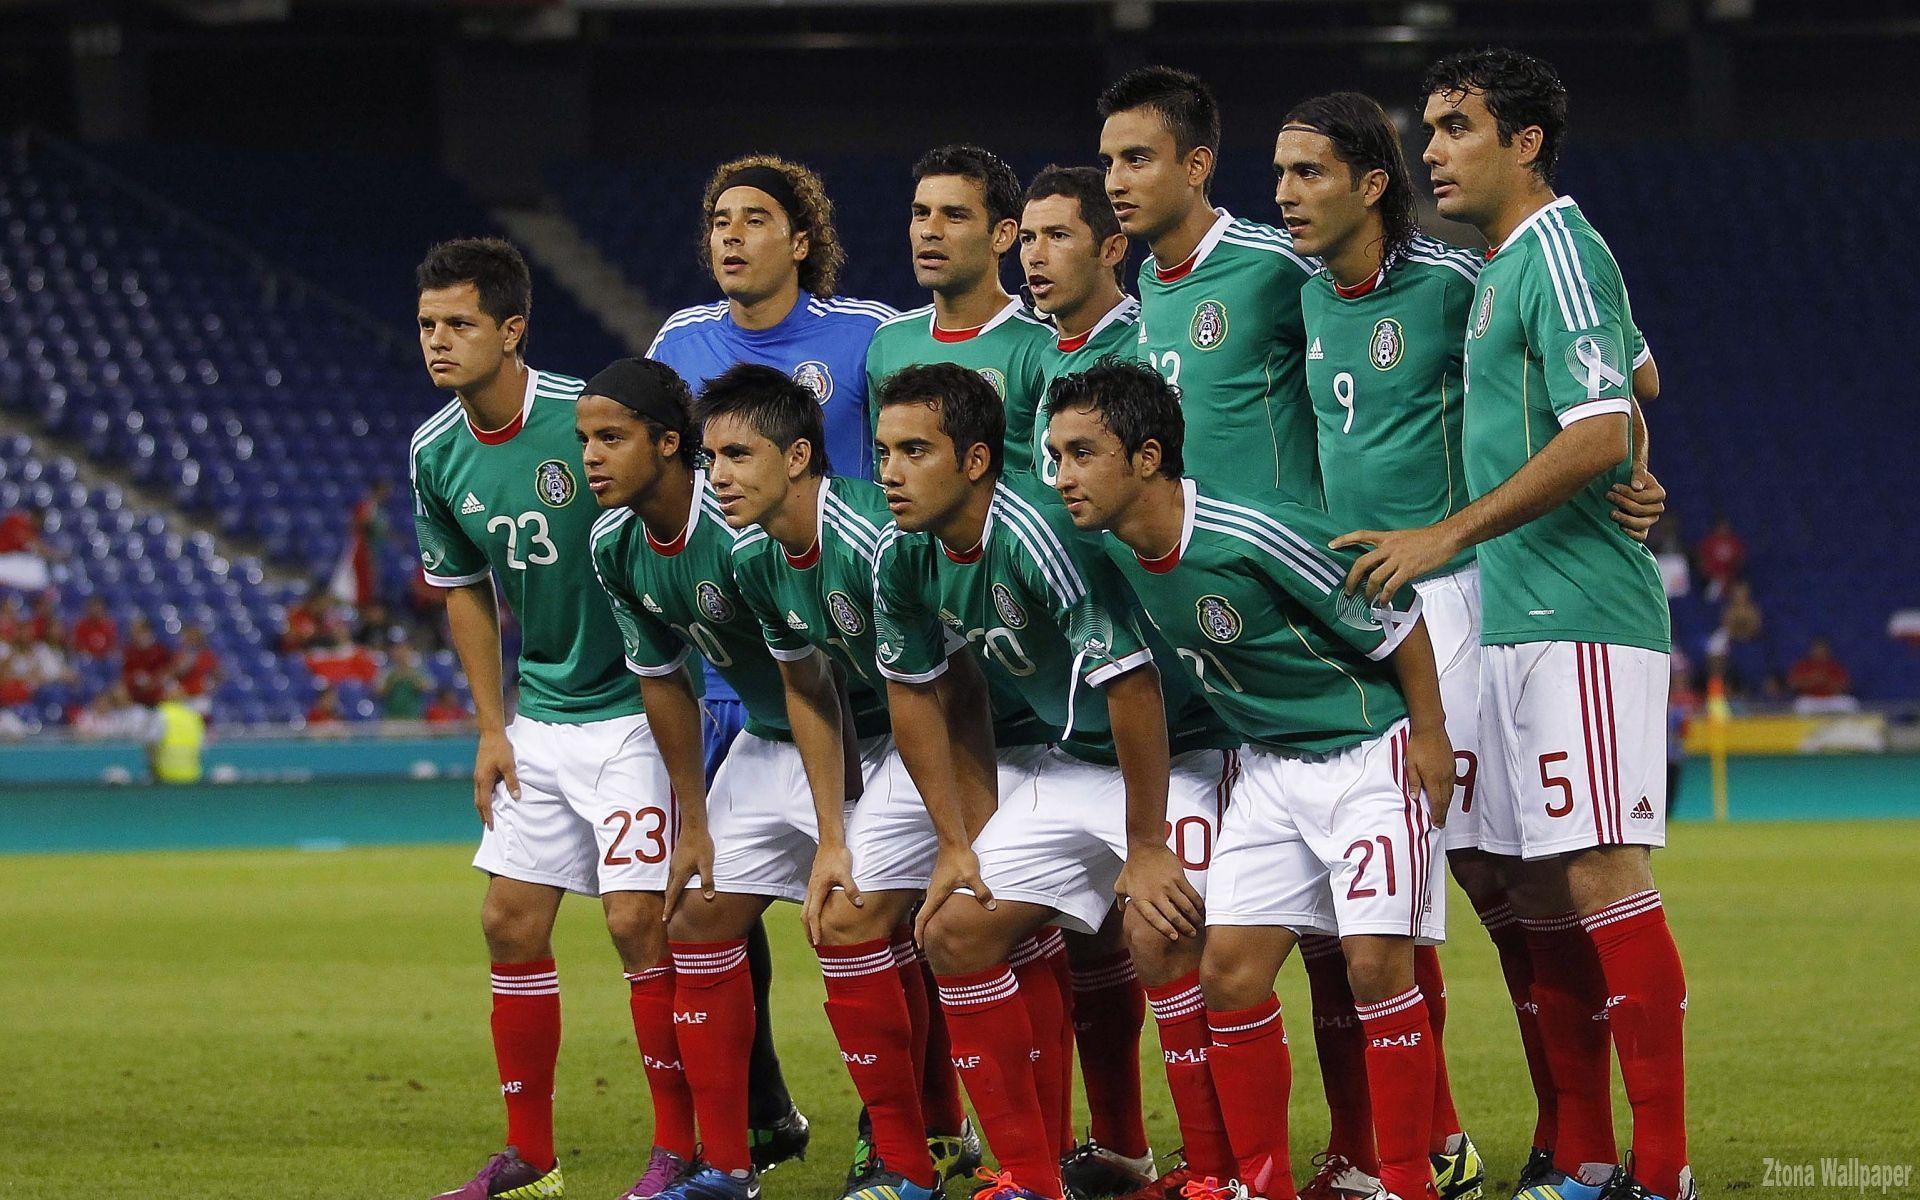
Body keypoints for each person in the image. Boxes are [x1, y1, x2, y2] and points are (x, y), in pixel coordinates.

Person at [1338, 48, 1693, 1200]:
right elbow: (1633, 378)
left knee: (1599, 878)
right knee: (1516, 885)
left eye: (1453, 128)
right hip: (1512, 620)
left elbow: (1600, 422)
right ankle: (1582, 1150)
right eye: (1428, 129)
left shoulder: (1562, 250)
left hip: (1580, 614)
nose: (1429, 150)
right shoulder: (1502, 268)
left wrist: (1451, 534)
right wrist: (1638, 457)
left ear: (1525, 142)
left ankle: (1667, 1169)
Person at [1043, 359, 1454, 1200]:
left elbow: (1399, 622)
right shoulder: (1104, 555)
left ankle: (1409, 1181)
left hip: (1366, 752)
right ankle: (1258, 1185)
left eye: (1082, 454)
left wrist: (1435, 736)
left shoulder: (1252, 535)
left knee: (1377, 967)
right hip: (1268, 769)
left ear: (1147, 458)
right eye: (1055, 456)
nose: (1063, 477)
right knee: (1226, 975)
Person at [876, 363, 1247, 1200]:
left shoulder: (1041, 531)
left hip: (1179, 751)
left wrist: (1146, 847)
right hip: (1072, 761)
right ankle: (1032, 1179)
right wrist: (953, 844)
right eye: (884, 452)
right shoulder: (903, 556)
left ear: (974, 462)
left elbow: (1136, 684)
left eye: (914, 451)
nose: (892, 473)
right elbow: (919, 691)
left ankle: (1216, 1178)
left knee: (1160, 931)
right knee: (953, 932)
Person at [409, 237, 682, 1200]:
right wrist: (493, 726)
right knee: (509, 919)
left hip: (641, 709)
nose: (438, 343)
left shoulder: (587, 420)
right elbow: (465, 591)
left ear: (512, 330)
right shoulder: (435, 453)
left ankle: (679, 1149)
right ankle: (531, 1158)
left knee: (637, 923)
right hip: (545, 718)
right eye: (429, 324)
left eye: (460, 325)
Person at [689, 363, 997, 1200]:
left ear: (797, 457)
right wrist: (832, 837)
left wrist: (958, 832)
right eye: (709, 458)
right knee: (808, 914)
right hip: (877, 735)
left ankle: (943, 1147)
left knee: (938, 928)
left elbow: (957, 687)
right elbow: (807, 691)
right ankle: (897, 1157)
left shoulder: (874, 540)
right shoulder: (756, 556)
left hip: (967, 734)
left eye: (737, 456)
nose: (717, 477)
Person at [647, 153, 900, 1164]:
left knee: (886, 906)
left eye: (754, 217)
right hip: (724, 666)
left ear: (801, 239)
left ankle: (912, 1124)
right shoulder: (678, 341)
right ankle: (760, 1111)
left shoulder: (866, 336)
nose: (731, 235)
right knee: (720, 908)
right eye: (717, 219)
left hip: (852, 652)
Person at [1275, 90, 1490, 1200]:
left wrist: (1634, 460)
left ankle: (1442, 1144)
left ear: (1371, 183)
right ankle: (1397, 1140)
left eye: (1308, 174)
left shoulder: (1454, 283)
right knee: (1354, 899)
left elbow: (1606, 381)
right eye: (1278, 176)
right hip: (1337, 611)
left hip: (1450, 606)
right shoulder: (1294, 294)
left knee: (1456, 887)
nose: (1284, 196)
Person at [1096, 66, 1320, 505]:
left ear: (1196, 165)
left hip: (1274, 551)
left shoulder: (1274, 264)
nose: (1115, 182)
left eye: (1136, 159)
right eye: (1109, 163)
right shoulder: (1147, 277)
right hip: (1192, 552)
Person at [866, 145, 1053, 477]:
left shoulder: (1041, 346)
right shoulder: (888, 341)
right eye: (921, 213)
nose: (930, 230)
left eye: (954, 215)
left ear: (1002, 234)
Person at [1787, 637, 1854, 710]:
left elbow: (1844, 687)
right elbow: (1793, 685)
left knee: (1849, 703)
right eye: (1817, 649)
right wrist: (1812, 681)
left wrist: (1826, 681)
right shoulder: (1803, 666)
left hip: (1831, 699)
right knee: (1799, 704)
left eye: (1822, 649)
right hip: (1810, 699)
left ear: (1828, 651)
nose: (1819, 652)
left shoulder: (1835, 666)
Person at [121, 618, 174, 707]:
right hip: (135, 696)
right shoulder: (130, 652)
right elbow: (126, 674)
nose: (134, 635)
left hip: (158, 694)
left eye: (138, 631)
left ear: (146, 632)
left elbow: (168, 671)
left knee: (171, 687)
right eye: (134, 632)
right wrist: (135, 680)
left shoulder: (160, 650)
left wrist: (152, 682)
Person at [1695, 515, 1744, 599]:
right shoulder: (1708, 543)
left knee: (1740, 592)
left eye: (1725, 527)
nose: (1723, 529)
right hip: (1713, 580)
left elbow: (1740, 563)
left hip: (1731, 579)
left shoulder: (1734, 542)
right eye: (1721, 527)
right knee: (1712, 592)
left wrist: (1730, 575)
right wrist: (1713, 575)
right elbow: (1702, 563)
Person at [380, 644, 433, 721]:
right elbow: (379, 692)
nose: (401, 654)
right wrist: (393, 679)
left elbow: (428, 687)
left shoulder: (418, 669)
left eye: (404, 651)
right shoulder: (387, 670)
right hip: (392, 718)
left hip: (414, 717)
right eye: (397, 650)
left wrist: (410, 676)